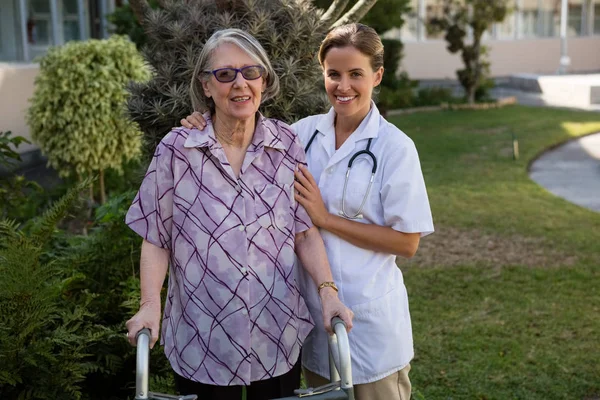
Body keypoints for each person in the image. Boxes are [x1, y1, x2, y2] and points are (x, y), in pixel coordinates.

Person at [182, 23, 434, 400]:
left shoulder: (396, 148)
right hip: (313, 323)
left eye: (356, 75)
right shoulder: (301, 134)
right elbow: (241, 135)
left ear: (377, 76)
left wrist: (327, 219)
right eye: (334, 74)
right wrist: (201, 122)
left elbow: (408, 242)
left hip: (370, 326)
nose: (343, 86)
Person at [125, 28, 353, 400]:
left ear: (264, 80)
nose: (240, 84)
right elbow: (155, 237)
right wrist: (150, 305)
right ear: (206, 86)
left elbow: (304, 232)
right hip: (203, 339)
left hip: (276, 333)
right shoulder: (177, 150)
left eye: (251, 72)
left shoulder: (286, 144)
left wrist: (328, 293)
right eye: (225, 74)